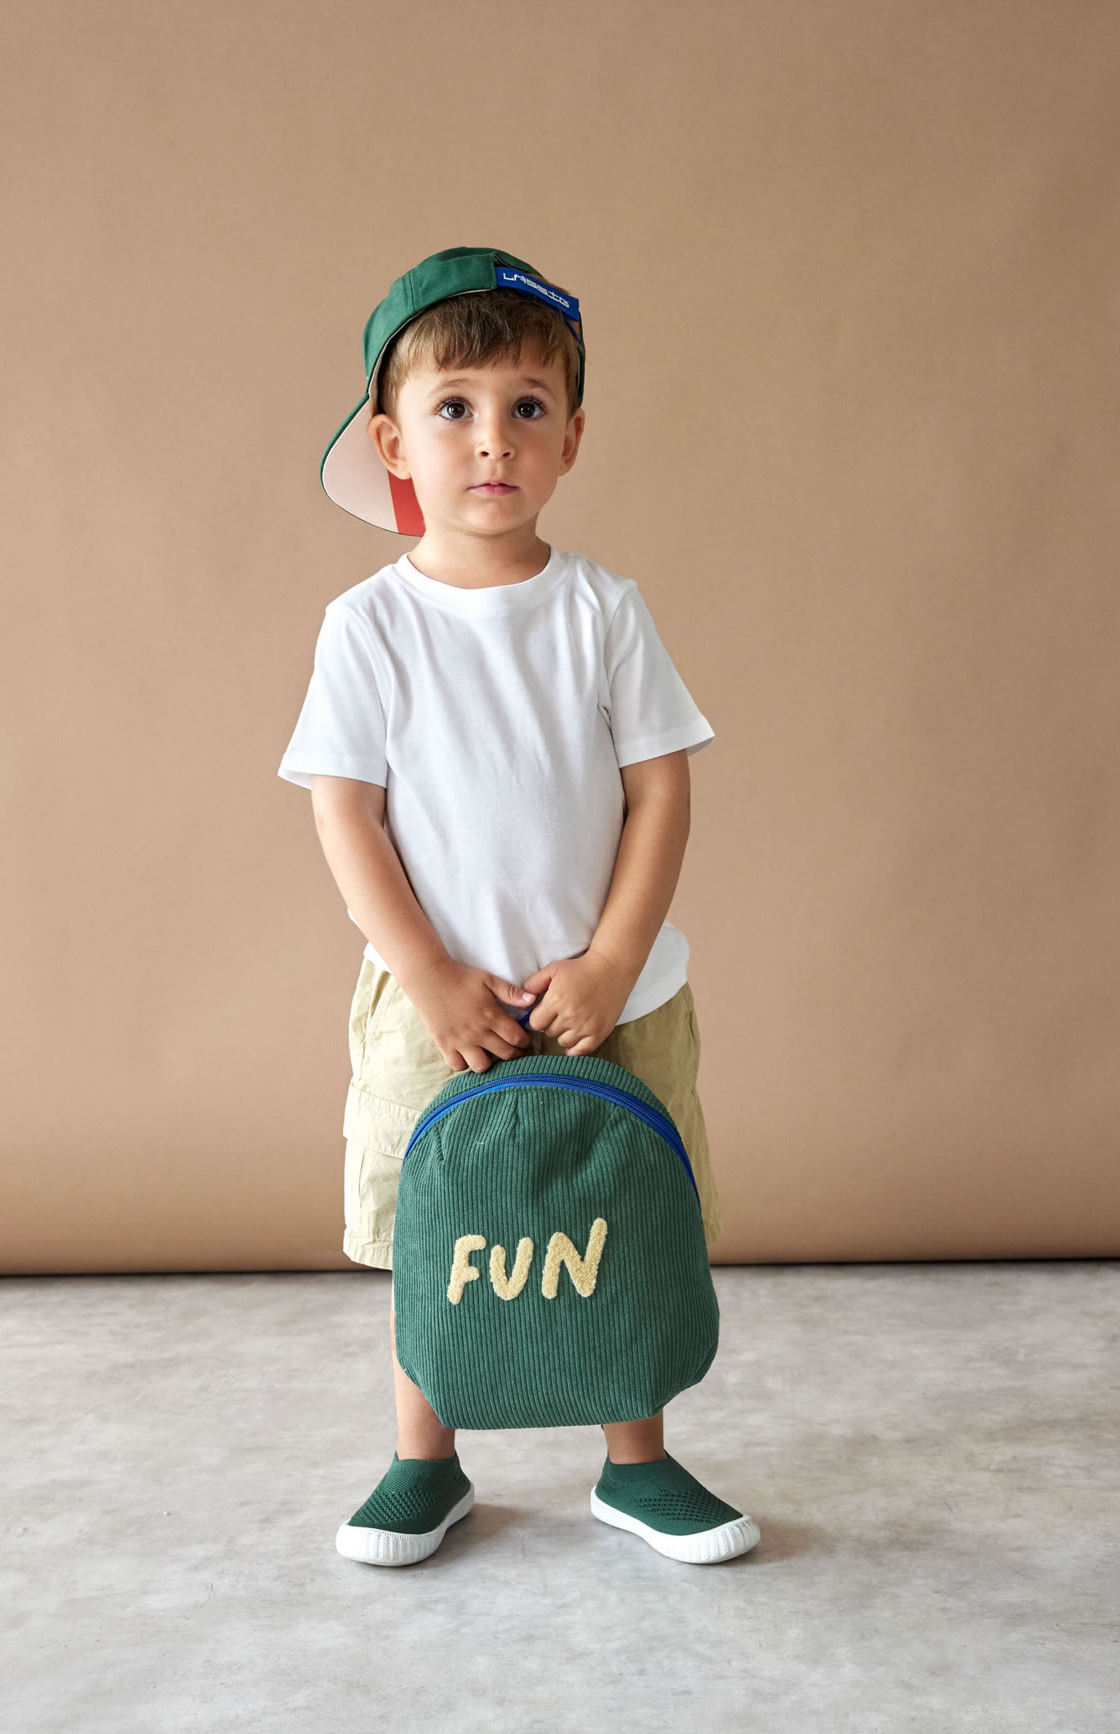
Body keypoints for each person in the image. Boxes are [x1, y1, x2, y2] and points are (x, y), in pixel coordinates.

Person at [278, 246, 760, 1568]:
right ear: (394, 442)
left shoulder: (602, 612)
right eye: (455, 407)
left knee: (617, 1218)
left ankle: (637, 1460)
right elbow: (346, 813)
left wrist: (612, 960)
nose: (493, 438)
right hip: (441, 1003)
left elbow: (659, 792)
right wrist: (429, 976)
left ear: (571, 439)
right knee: (443, 1224)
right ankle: (424, 1460)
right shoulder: (370, 626)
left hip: (611, 1002)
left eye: (527, 407)